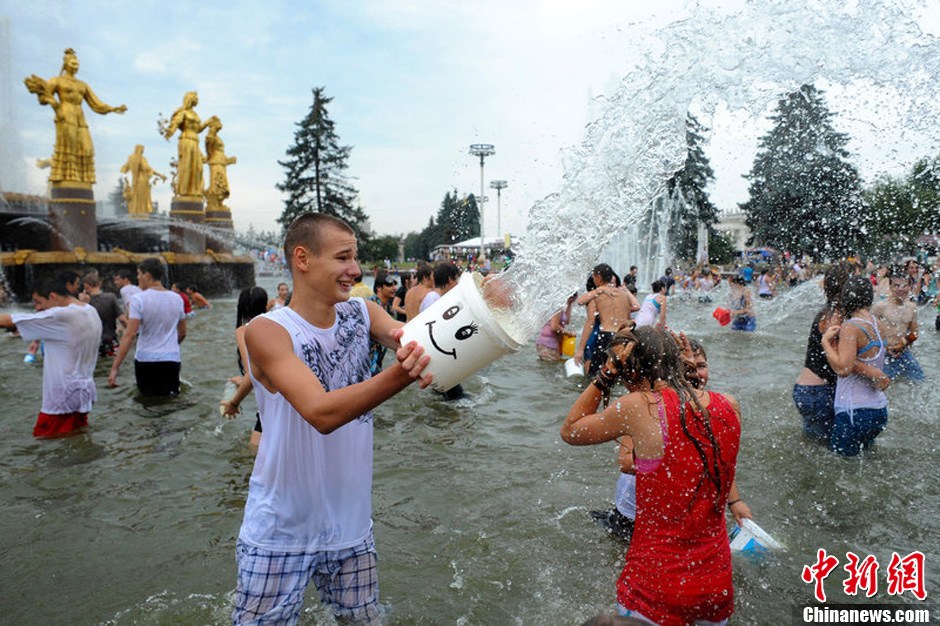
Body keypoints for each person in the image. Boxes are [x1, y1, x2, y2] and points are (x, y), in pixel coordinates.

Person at [231, 213, 431, 625]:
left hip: (351, 528)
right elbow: (320, 412)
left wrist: (477, 313)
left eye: (354, 258)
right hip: (280, 532)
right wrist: (402, 372)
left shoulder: (363, 313)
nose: (355, 270)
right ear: (302, 258)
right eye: (343, 258)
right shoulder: (267, 331)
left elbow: (416, 338)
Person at [561, 326, 740, 625]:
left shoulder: (638, 407)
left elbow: (571, 430)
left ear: (631, 369)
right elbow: (695, 444)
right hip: (715, 584)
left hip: (655, 586)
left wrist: (608, 371)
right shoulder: (729, 406)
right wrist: (686, 375)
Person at [593, 337, 752, 543]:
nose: (695, 370)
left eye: (701, 365)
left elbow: (719, 462)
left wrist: (735, 501)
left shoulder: (714, 408)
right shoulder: (648, 407)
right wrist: (682, 467)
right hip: (636, 513)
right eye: (687, 364)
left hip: (679, 514)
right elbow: (625, 462)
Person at [0, 277, 102, 437]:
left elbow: (6, 320)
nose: (38, 308)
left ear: (53, 296)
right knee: (76, 435)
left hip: (62, 396)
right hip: (85, 391)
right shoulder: (90, 310)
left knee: (47, 441)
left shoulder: (61, 314)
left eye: (39, 302)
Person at [24, 48, 127, 185]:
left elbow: (95, 103)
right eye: (73, 63)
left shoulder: (82, 85)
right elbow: (43, 96)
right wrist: (55, 104)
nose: (76, 66)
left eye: (77, 63)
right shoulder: (57, 80)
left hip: (80, 116)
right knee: (69, 146)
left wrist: (113, 108)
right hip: (65, 114)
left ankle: (83, 179)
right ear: (66, 64)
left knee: (86, 146)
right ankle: (67, 178)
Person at [821, 276, 890, 456]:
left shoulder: (851, 327)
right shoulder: (879, 324)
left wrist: (826, 343)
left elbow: (844, 369)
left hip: (854, 411)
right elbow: (867, 361)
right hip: (878, 409)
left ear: (847, 297)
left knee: (840, 466)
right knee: (865, 462)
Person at [108, 258, 187, 396]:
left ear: (148, 275)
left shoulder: (139, 299)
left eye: (139, 273)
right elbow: (182, 333)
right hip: (171, 359)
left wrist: (115, 368)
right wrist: (170, 346)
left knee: (147, 402)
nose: (137, 277)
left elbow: (130, 335)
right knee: (171, 401)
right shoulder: (177, 299)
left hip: (146, 359)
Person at [220, 286, 268, 449]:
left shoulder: (244, 330)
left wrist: (233, 403)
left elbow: (253, 373)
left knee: (251, 455)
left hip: (271, 403)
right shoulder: (275, 323)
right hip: (287, 397)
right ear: (265, 304)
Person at [576, 265, 638, 377]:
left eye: (594, 277)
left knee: (597, 377)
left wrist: (580, 350)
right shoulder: (623, 294)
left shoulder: (596, 295)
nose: (593, 280)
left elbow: (590, 322)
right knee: (623, 377)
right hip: (625, 337)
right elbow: (630, 316)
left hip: (606, 337)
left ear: (598, 277)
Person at [872, 269, 924, 382]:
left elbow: (915, 333)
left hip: (904, 352)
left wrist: (903, 344)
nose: (900, 289)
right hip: (885, 353)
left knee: (920, 381)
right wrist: (885, 347)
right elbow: (870, 332)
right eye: (896, 286)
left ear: (910, 287)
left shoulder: (911, 307)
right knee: (886, 385)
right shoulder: (880, 307)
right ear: (890, 287)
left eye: (904, 286)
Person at [162, 91, 209, 198]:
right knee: (187, 165)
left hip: (195, 141)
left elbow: (198, 129)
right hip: (186, 139)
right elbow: (176, 123)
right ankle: (185, 192)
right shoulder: (183, 112)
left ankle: (195, 191)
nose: (198, 99)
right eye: (196, 97)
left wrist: (208, 122)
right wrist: (170, 131)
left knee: (198, 168)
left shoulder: (195, 114)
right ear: (190, 98)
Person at [83, 270, 126, 357]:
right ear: (99, 284)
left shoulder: (84, 303)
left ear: (86, 286)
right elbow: (122, 319)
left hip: (93, 343)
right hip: (111, 340)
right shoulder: (111, 297)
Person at [120, 144, 166, 216]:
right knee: (142, 200)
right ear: (140, 150)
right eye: (142, 150)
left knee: (135, 198)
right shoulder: (141, 159)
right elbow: (148, 169)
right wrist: (160, 175)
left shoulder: (131, 159)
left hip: (134, 181)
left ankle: (135, 213)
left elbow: (124, 169)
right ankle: (141, 214)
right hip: (142, 182)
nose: (143, 152)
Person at [369, 275, 398, 374]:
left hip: (378, 361)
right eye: (390, 285)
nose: (394, 288)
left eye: (395, 284)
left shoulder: (390, 309)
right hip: (366, 363)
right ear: (379, 288)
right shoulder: (370, 305)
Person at [536, 292, 577, 361]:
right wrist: (569, 333)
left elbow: (567, 321)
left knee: (551, 368)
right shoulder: (557, 307)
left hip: (551, 343)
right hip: (548, 344)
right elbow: (554, 327)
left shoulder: (561, 306)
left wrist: (569, 304)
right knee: (550, 369)